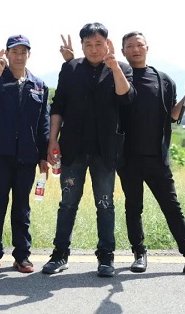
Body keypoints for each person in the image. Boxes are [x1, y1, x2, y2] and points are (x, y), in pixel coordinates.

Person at [117, 31, 185, 277]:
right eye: (130, 46)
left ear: (147, 48)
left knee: (172, 208)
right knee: (134, 207)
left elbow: (173, 115)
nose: (135, 50)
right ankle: (139, 253)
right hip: (127, 157)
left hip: (157, 156)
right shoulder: (118, 77)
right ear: (123, 52)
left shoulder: (163, 80)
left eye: (139, 45)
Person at [42, 23, 135, 277]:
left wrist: (114, 67)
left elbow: (126, 97)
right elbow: (58, 105)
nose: (94, 49)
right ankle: (59, 254)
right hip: (73, 148)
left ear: (107, 43)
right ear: (82, 46)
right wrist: (52, 140)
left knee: (105, 204)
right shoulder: (71, 68)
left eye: (98, 44)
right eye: (88, 44)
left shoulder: (121, 68)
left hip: (105, 150)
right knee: (67, 203)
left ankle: (106, 258)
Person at [0, 34, 50, 273]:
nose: (19, 56)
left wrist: (43, 156)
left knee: (21, 209)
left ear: (29, 54)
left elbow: (43, 123)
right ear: (7, 54)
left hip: (27, 157)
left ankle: (22, 256)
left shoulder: (38, 85)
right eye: (14, 51)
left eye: (23, 52)